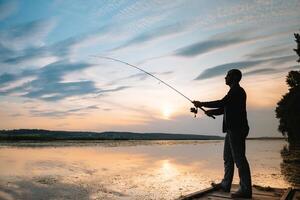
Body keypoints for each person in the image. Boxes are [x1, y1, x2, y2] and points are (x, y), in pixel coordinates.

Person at [192, 69, 252, 198]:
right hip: (231, 130)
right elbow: (223, 108)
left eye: (227, 76)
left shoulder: (237, 91)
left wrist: (201, 103)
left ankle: (246, 190)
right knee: (228, 158)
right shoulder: (233, 92)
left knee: (239, 159)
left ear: (235, 77)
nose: (225, 78)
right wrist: (211, 112)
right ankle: (226, 184)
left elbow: (222, 102)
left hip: (237, 129)